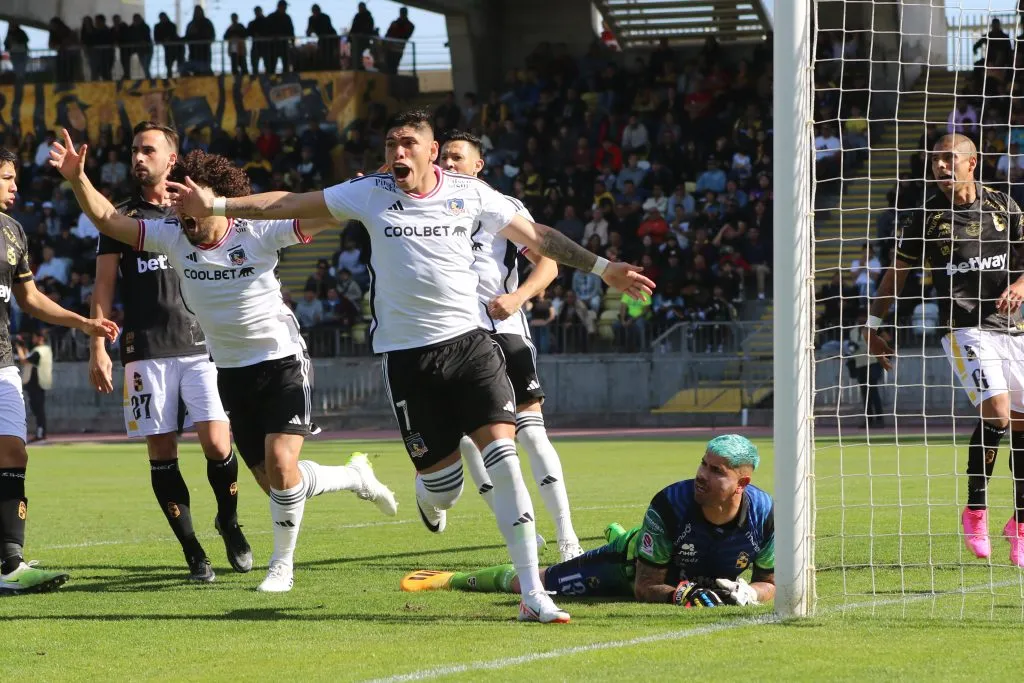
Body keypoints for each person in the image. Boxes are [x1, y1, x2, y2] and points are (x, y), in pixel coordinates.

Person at [166, 108, 655, 623]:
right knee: (443, 483)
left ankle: (533, 592)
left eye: (407, 143)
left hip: (471, 345)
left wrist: (605, 269)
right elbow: (289, 202)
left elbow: (540, 238)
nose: (397, 152)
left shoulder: (472, 193)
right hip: (406, 359)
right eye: (389, 144)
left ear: (430, 148)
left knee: (505, 457)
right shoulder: (370, 193)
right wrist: (218, 203)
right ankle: (433, 495)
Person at [50, 132, 398, 593]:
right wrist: (78, 180)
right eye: (176, 203)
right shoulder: (172, 236)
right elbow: (108, 220)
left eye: (189, 202)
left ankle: (282, 565)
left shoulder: (256, 231)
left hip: (282, 360)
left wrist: (358, 193)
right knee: (277, 482)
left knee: (279, 460)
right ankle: (356, 476)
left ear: (215, 201)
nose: (180, 213)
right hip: (231, 371)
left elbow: (316, 212)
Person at [90, 122, 253, 583]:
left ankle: (230, 522)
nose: (137, 158)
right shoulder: (120, 219)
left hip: (202, 345)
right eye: (133, 150)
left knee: (219, 443)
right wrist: (97, 345)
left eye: (147, 150)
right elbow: (102, 287)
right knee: (162, 453)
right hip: (145, 351)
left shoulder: (197, 208)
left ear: (171, 160)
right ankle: (193, 550)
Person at [866, 133, 1024, 565]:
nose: (939, 166)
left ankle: (1020, 524)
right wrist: (873, 324)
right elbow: (895, 275)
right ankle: (975, 509)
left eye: (948, 158)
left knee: (1023, 428)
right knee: (998, 414)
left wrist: (1017, 285)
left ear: (972, 162)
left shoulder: (1004, 207)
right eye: (935, 159)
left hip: (1013, 330)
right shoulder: (924, 218)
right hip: (964, 329)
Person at [400, 435, 775, 609]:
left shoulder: (765, 515)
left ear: (742, 483)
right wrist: (682, 594)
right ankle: (451, 579)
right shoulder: (671, 503)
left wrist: (750, 594)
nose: (701, 475)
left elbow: (770, 582)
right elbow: (646, 587)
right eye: (702, 464)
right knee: (541, 582)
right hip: (627, 567)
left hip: (681, 570)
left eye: (716, 472)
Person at [439, 131, 582, 561]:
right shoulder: (428, 206)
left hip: (504, 330)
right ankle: (520, 531)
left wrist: (518, 298)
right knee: (467, 440)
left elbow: (548, 262)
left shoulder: (500, 207)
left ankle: (566, 535)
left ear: (477, 165)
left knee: (532, 436)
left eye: (457, 157)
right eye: (443, 156)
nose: (447, 163)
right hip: (454, 334)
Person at [0, 147, 120, 595]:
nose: (15, 186)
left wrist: (83, 322)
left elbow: (29, 299)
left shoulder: (13, 233)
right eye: (7, 178)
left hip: (3, 363)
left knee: (14, 453)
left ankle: (11, 564)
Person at [16, 329, 51, 442]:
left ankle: (41, 434)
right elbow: (29, 357)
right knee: (37, 409)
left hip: (37, 384)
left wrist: (18, 347)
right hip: (39, 384)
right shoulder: (43, 350)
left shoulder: (39, 351)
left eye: (35, 337)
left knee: (38, 410)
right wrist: (24, 347)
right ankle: (40, 433)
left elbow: (24, 360)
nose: (33, 339)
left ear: (40, 338)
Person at [384, 7, 414, 75]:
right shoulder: (396, 23)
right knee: (389, 66)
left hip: (397, 48)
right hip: (391, 48)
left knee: (393, 66)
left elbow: (405, 36)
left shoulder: (409, 25)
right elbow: (388, 35)